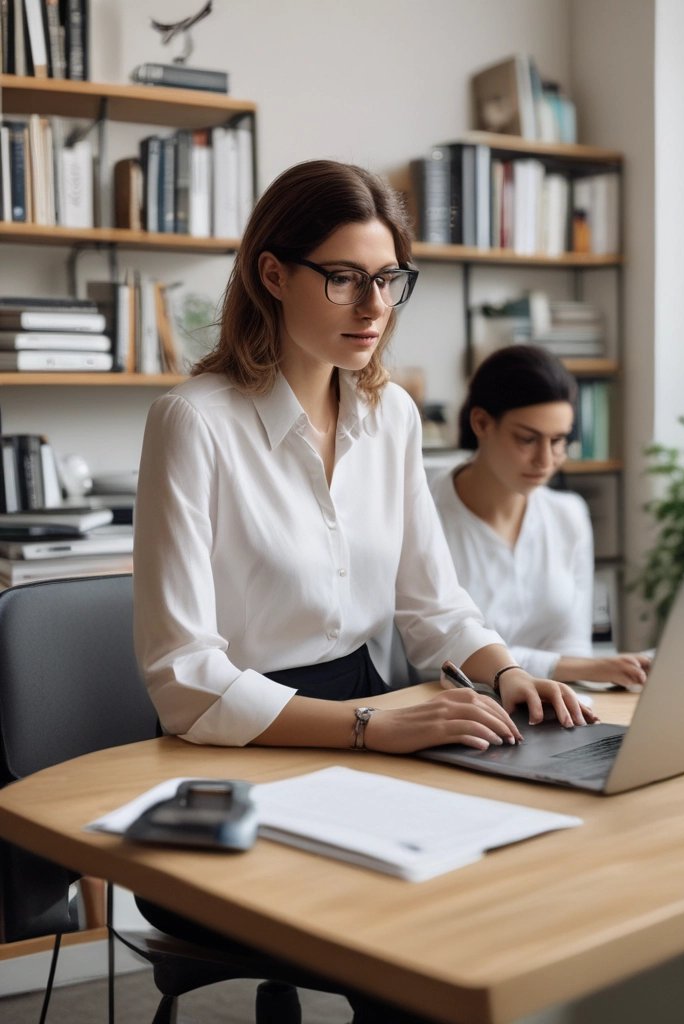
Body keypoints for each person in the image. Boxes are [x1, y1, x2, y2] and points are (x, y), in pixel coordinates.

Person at [131, 161, 595, 1021]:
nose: (374, 307)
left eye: (387, 280)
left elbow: (432, 603)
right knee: (412, 943)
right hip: (239, 753)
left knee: (510, 888)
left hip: (370, 714)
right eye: (343, 278)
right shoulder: (194, 422)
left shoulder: (393, 418)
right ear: (274, 275)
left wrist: (502, 672)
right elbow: (186, 678)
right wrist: (366, 728)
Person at [430, 344, 652, 689]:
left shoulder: (569, 516)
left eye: (559, 440)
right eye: (527, 439)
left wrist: (592, 672)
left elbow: (573, 648)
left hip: (548, 708)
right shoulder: (425, 511)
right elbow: (436, 652)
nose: (545, 460)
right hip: (455, 710)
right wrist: (579, 668)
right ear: (481, 423)